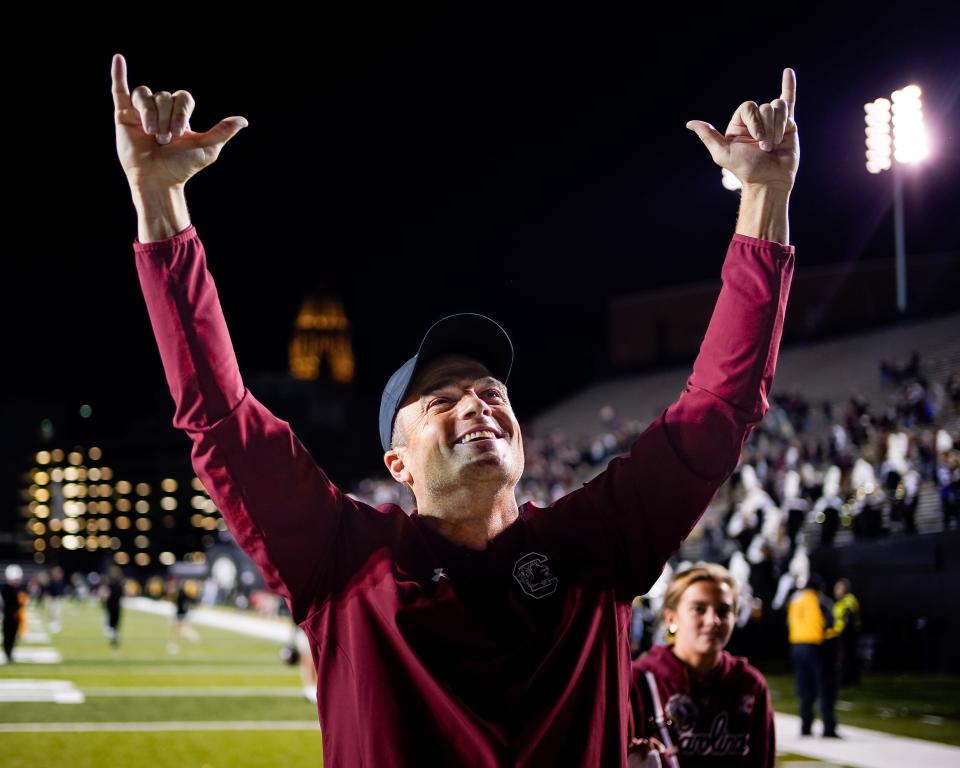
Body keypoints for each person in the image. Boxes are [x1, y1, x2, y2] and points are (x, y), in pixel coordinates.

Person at [113, 53, 798, 765]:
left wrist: (765, 199)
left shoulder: (596, 542)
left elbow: (719, 409)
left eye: (492, 393)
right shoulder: (342, 557)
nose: (478, 400)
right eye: (441, 398)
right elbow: (223, 419)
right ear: (396, 462)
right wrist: (160, 209)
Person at [629, 564, 774, 767]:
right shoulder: (639, 680)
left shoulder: (750, 683)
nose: (713, 620)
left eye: (723, 611)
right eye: (699, 609)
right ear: (671, 617)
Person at [787, 574, 837, 737]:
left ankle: (805, 726)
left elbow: (788, 622)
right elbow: (830, 624)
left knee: (804, 688)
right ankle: (828, 727)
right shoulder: (820, 601)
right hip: (816, 647)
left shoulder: (795, 600)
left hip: (796, 646)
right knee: (824, 687)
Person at [833, 578, 861, 687]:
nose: (836, 590)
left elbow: (848, 619)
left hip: (846, 635)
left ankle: (845, 681)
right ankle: (849, 680)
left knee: (846, 658)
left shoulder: (849, 600)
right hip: (841, 634)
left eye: (839, 588)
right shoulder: (839, 602)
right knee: (847, 658)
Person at [2, 564, 27, 664]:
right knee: (7, 636)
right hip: (8, 616)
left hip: (16, 617)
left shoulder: (18, 589)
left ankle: (10, 652)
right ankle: (8, 653)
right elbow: (9, 602)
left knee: (14, 636)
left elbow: (21, 602)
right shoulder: (6, 589)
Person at [99, 566, 124, 649]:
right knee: (112, 625)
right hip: (113, 606)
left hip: (114, 606)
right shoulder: (112, 584)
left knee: (112, 625)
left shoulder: (112, 584)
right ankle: (114, 638)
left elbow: (105, 596)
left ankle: (114, 638)